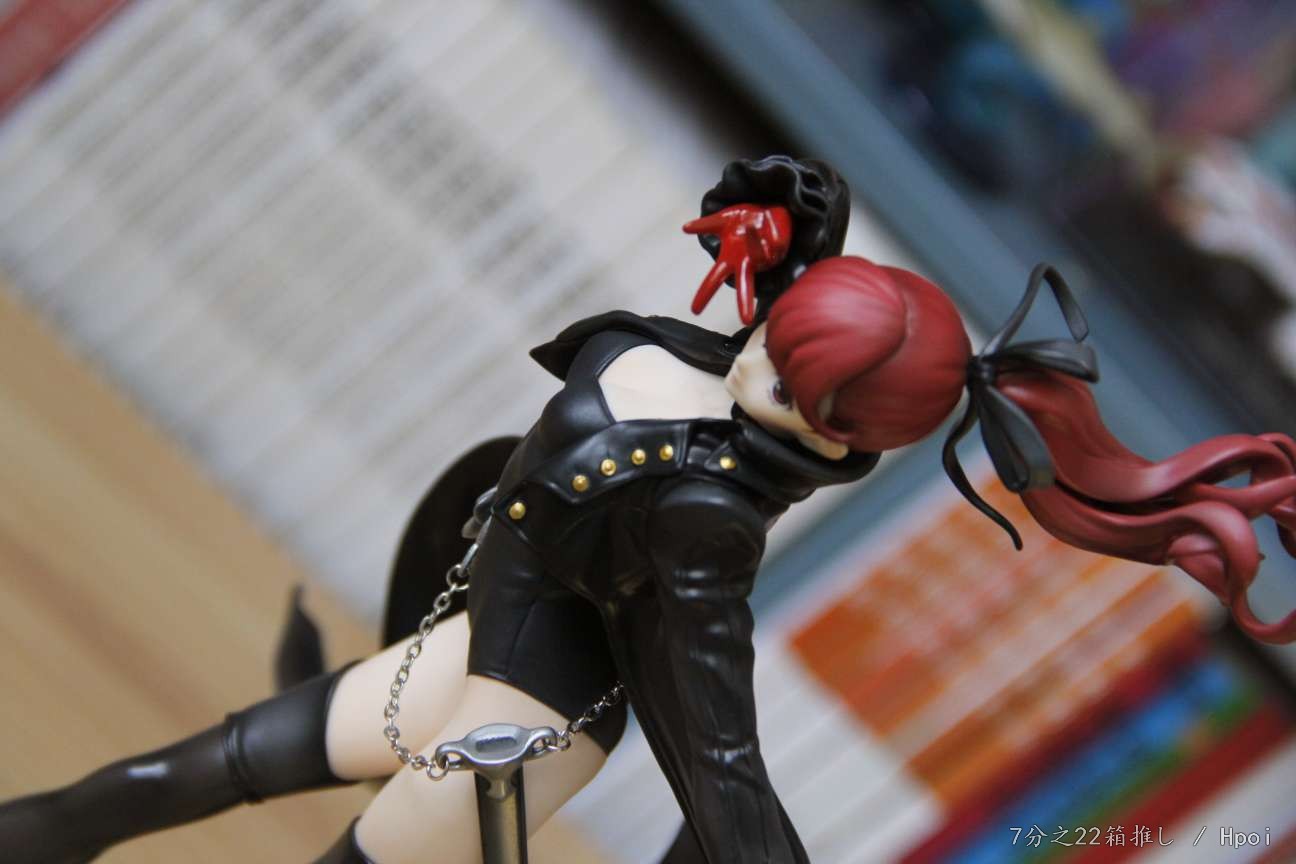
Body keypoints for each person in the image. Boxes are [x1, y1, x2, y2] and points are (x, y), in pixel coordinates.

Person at [2, 157, 1293, 864]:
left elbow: (712, 735)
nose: (751, 362)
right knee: (186, 771)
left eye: (786, 382)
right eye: (772, 336)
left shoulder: (704, 519)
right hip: (468, 648)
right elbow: (795, 234)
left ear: (835, 435)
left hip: (522, 726)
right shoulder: (714, 357)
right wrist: (781, 234)